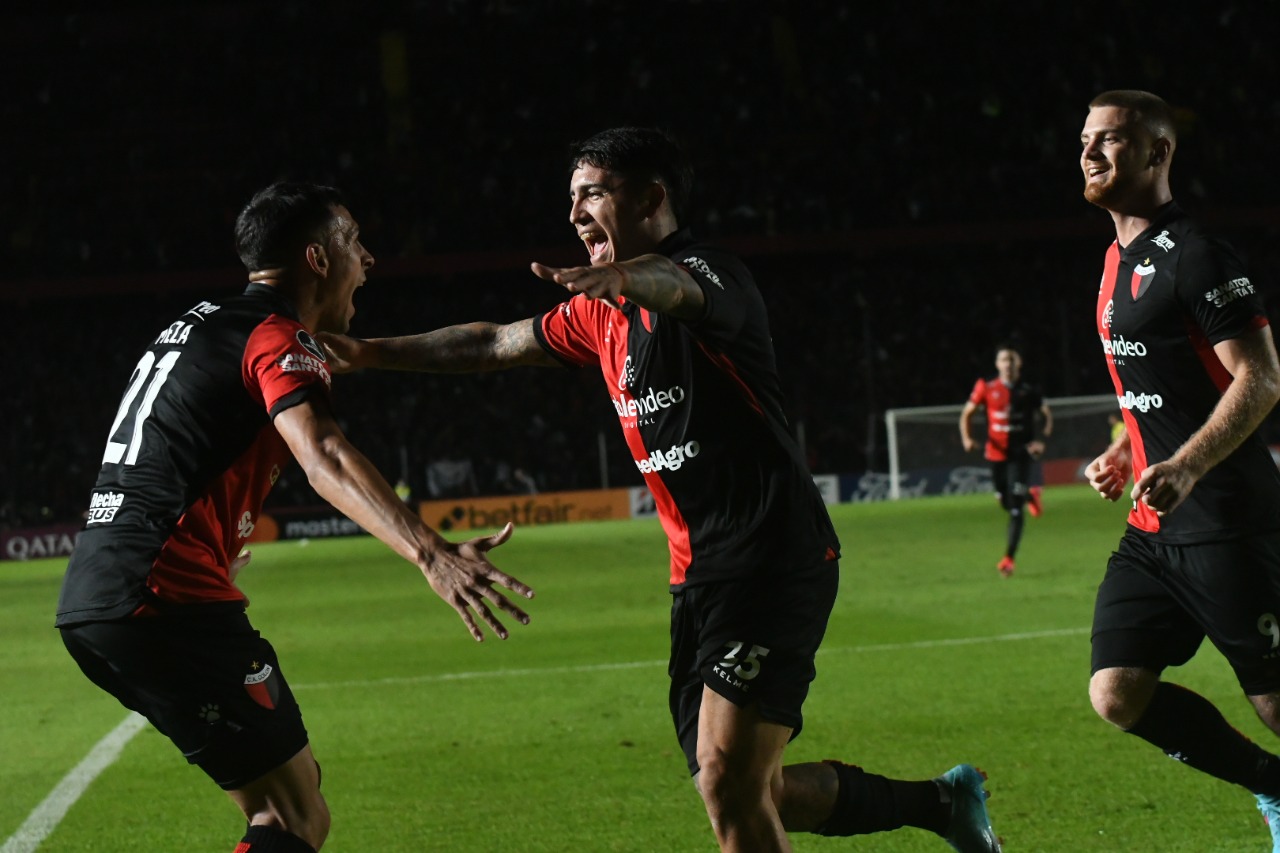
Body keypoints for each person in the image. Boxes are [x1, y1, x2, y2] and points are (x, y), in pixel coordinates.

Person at [320, 127, 1001, 852]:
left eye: (593, 194)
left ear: (651, 197)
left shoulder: (714, 275)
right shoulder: (598, 313)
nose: (575, 214)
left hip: (771, 557)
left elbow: (676, 286)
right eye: (571, 198)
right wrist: (368, 352)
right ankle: (942, 803)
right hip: (696, 576)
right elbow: (494, 342)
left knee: (729, 782)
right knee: (749, 789)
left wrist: (629, 279)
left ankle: (941, 804)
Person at [55, 182, 535, 853]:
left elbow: (162, 453)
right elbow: (323, 454)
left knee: (289, 801)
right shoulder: (273, 336)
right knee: (292, 817)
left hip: (101, 591)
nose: (367, 259)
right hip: (162, 596)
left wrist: (208, 546)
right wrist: (432, 553)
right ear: (317, 257)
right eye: (354, 241)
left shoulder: (195, 327)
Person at [1079, 90, 1280, 848]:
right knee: (1117, 691)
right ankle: (1274, 786)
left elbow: (1261, 377)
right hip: (1155, 529)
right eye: (1085, 140)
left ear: (1158, 152)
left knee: (1275, 703)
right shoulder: (1113, 260)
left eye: (1110, 140)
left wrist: (1188, 463)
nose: (1089, 153)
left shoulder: (1197, 255)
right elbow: (1158, 386)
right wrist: (1124, 450)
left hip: (1228, 520)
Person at [958, 343, 1054, 577]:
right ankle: (1031, 495)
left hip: (1020, 455)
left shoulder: (1029, 389)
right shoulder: (986, 387)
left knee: (1015, 509)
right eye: (1004, 360)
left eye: (1011, 360)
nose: (1008, 364)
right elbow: (967, 414)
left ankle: (1009, 559)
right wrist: (967, 438)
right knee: (1005, 501)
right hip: (996, 454)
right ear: (997, 364)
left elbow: (1046, 415)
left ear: (1018, 364)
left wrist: (1040, 440)